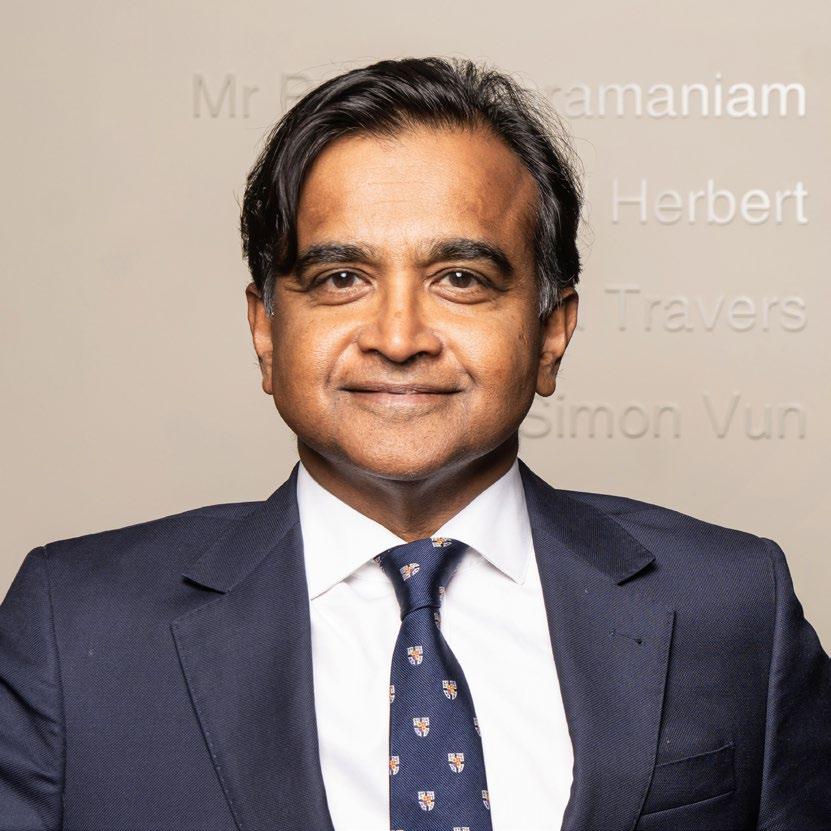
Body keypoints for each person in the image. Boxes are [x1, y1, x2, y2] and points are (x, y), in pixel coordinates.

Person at [1, 56, 828, 831]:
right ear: (265, 330)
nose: (397, 338)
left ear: (551, 331)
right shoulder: (71, 625)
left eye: (460, 279)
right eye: (341, 279)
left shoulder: (734, 603)